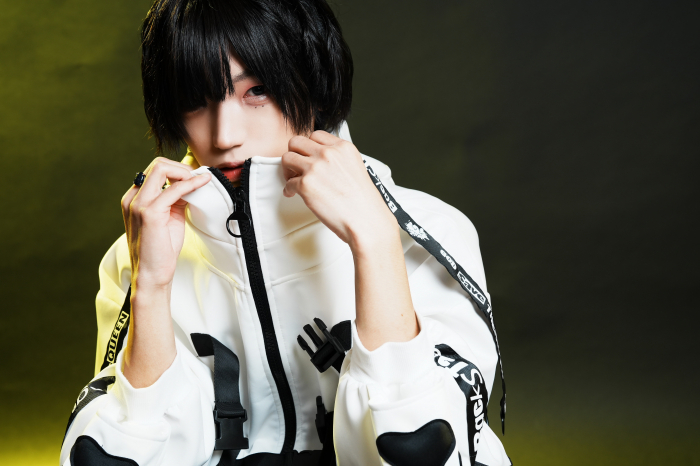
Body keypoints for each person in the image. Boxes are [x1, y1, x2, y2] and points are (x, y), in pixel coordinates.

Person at [60, 0, 511, 465]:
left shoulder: (431, 231)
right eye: (195, 98)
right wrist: (151, 286)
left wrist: (375, 241)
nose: (224, 135)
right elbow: (125, 456)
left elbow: (426, 449)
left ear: (315, 86)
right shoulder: (139, 254)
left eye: (257, 90)